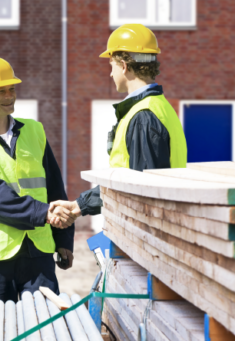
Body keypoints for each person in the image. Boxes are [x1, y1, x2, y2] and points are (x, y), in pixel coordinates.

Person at [0, 56, 76, 302]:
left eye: (12, 89)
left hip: (39, 250)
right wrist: (45, 214)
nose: (9, 96)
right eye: (0, 91)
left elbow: (54, 185)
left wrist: (64, 237)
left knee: (42, 329)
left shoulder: (35, 131)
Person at [49, 24, 188, 226]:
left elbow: (142, 192)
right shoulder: (159, 107)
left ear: (123, 66)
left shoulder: (143, 116)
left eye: (111, 66)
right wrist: (79, 205)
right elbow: (128, 181)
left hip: (144, 239)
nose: (111, 74)